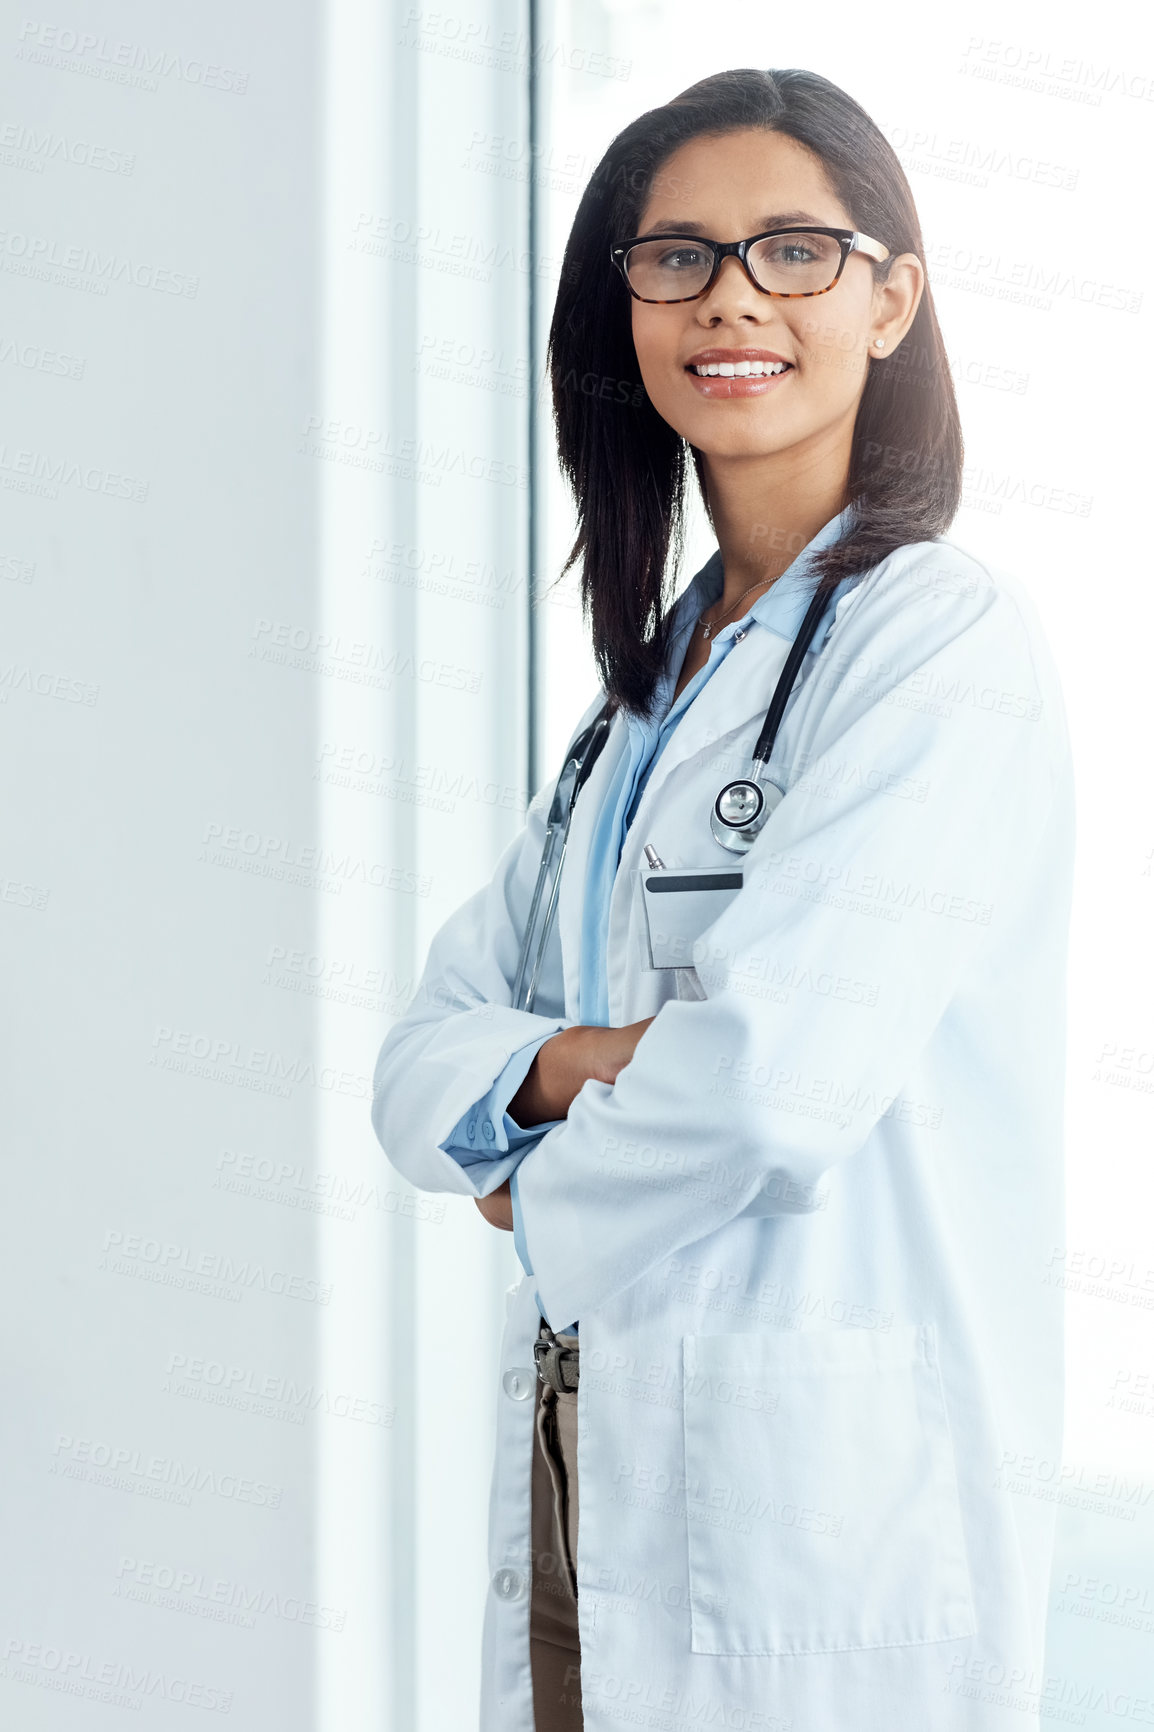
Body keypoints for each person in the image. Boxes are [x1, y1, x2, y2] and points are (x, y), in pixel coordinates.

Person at [371, 66, 1075, 1732]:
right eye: (674, 256)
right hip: (589, 1484)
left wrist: (532, 1186)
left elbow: (769, 1083)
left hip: (823, 1545)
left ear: (892, 297)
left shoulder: (935, 649)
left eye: (793, 251)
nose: (731, 296)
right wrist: (564, 1063)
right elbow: (419, 1060)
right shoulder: (641, 698)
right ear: (620, 311)